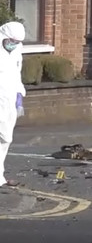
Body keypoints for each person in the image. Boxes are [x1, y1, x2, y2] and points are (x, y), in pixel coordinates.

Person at [0, 21, 25, 187]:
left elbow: (17, 73)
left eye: (16, 42)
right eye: (11, 41)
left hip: (9, 99)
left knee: (6, 138)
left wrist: (19, 96)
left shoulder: (17, 49)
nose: (13, 45)